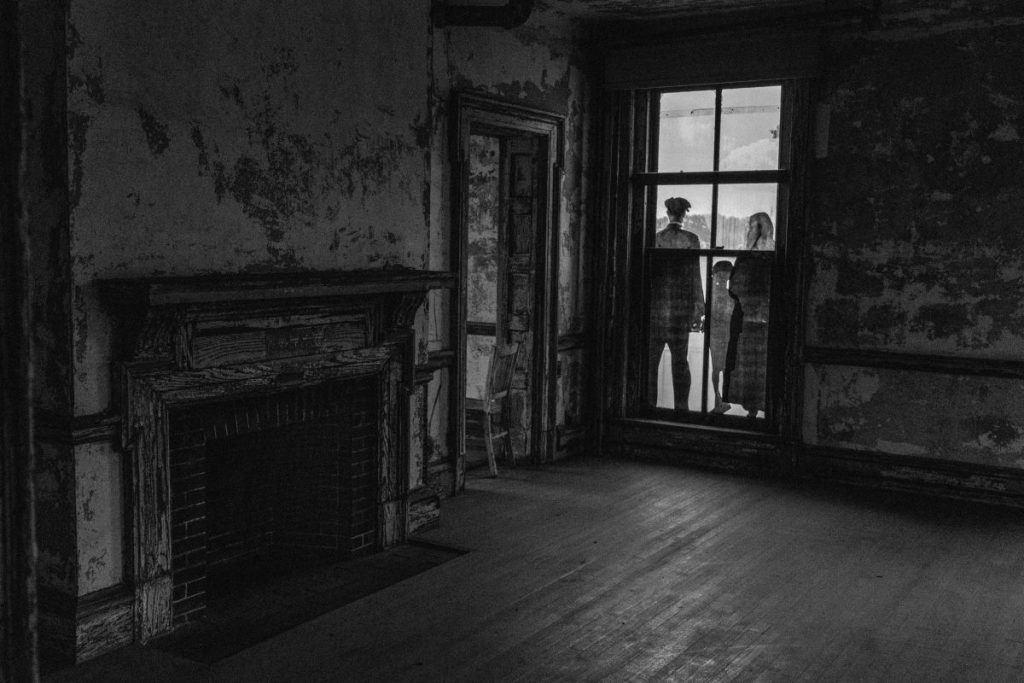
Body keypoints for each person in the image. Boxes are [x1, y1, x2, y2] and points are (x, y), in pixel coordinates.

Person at [649, 197, 705, 409]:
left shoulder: (657, 238)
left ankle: (650, 408)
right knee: (680, 363)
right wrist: (699, 305)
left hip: (656, 309)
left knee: (651, 365)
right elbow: (695, 276)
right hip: (680, 310)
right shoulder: (691, 239)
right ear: (684, 215)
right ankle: (681, 409)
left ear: (668, 214)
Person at [724, 212, 774, 418]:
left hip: (752, 319)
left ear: (760, 230)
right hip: (757, 319)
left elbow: (734, 286)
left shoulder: (750, 256)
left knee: (752, 364)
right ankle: (753, 408)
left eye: (750, 227)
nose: (747, 231)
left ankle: (753, 408)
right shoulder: (771, 254)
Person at [709, 260, 734, 413]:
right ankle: (719, 398)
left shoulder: (727, 293)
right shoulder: (717, 293)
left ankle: (721, 398)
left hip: (725, 333)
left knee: (722, 368)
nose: (722, 279)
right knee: (718, 368)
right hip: (719, 333)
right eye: (720, 277)